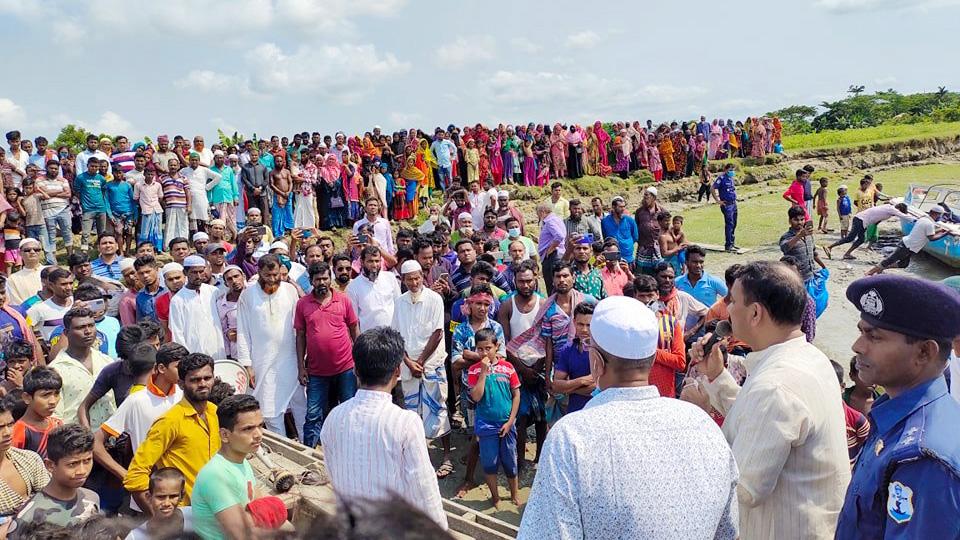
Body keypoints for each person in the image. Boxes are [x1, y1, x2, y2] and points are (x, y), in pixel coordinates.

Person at [518, 295, 739, 540]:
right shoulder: (703, 425)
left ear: (596, 362)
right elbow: (729, 532)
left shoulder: (571, 438)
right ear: (652, 359)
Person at [684, 261, 850, 538]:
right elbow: (758, 420)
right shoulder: (810, 357)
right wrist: (716, 376)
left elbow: (745, 487)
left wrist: (697, 424)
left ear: (755, 313)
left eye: (732, 300)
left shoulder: (775, 385)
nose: (728, 307)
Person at [835, 275, 960, 539]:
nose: (857, 346)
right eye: (861, 331)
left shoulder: (924, 458)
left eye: (875, 337)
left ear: (924, 352)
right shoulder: (894, 415)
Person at [320, 327, 448, 530]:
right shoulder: (405, 423)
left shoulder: (334, 417)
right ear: (398, 371)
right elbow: (424, 488)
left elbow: (333, 474)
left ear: (355, 369)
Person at [94, 343, 184, 512]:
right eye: (180, 367)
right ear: (162, 368)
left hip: (184, 493)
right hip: (148, 498)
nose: (185, 371)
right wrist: (125, 475)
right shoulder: (136, 401)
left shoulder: (184, 396)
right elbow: (96, 443)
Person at [124, 352, 219, 509]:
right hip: (185, 514)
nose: (202, 384)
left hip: (215, 510)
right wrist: (161, 520)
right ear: (181, 384)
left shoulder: (215, 412)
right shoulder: (170, 421)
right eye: (195, 380)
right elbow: (135, 475)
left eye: (207, 378)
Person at [392, 261, 453, 477]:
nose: (414, 282)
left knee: (438, 408)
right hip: (409, 367)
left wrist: (421, 362)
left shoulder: (434, 299)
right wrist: (409, 362)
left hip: (431, 365)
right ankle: (419, 458)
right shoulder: (399, 302)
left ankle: (446, 457)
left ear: (422, 277)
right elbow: (396, 335)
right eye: (410, 279)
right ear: (404, 280)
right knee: (413, 414)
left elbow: (437, 333)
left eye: (417, 278)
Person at [235, 254, 305, 438]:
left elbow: (299, 327)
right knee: (271, 411)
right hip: (262, 362)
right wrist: (247, 364)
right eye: (268, 276)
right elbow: (242, 331)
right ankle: (284, 452)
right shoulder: (248, 295)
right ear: (259, 273)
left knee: (300, 405)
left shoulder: (290, 290)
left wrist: (303, 359)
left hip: (290, 359)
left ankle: (308, 447)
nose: (273, 279)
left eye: (276, 275)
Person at [295, 261, 360, 448]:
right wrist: (301, 368)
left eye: (325, 278)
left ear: (330, 278)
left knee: (349, 410)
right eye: (317, 280)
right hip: (316, 372)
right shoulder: (302, 304)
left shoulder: (343, 299)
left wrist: (360, 360)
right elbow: (300, 337)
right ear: (311, 281)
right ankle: (308, 455)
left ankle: (352, 449)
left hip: (346, 368)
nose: (322, 282)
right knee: (313, 414)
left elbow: (354, 329)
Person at [191, 394, 267, 540]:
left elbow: (259, 503)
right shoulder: (215, 476)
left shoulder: (242, 462)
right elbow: (242, 536)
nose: (258, 435)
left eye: (260, 426)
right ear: (225, 435)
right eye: (248, 429)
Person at [8, 424, 100, 538]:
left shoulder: (91, 498)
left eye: (87, 461)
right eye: (72, 464)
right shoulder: (29, 517)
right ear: (50, 465)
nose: (82, 471)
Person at [467, 327, 521, 508]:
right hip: (485, 424)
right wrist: (483, 372)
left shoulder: (508, 368)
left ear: (496, 347)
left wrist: (511, 421)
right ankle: (496, 497)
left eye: (488, 348)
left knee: (510, 462)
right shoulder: (474, 371)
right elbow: (476, 397)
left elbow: (516, 395)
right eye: (480, 349)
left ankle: (515, 494)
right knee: (489, 463)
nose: (484, 352)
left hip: (507, 423)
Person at [48, 307, 115, 427]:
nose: (88, 331)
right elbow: (54, 417)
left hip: (110, 438)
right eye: (80, 327)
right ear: (66, 333)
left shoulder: (107, 362)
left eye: (91, 325)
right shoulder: (56, 370)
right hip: (76, 440)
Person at [0, 398, 49, 531]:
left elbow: (51, 499)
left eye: (10, 424)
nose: (7, 433)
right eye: (0, 428)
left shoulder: (29, 459)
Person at [168, 255, 227, 358]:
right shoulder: (177, 300)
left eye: (201, 271)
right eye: (194, 272)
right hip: (193, 352)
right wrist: (184, 356)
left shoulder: (213, 291)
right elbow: (177, 333)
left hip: (217, 349)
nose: (199, 276)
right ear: (185, 273)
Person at [866, 205, 949, 276]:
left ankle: (880, 268)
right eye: (940, 215)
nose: (941, 217)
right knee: (890, 259)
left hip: (909, 245)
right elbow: (931, 238)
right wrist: (945, 234)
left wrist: (941, 231)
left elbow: (928, 233)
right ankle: (869, 272)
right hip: (908, 246)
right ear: (936, 214)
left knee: (904, 264)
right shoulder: (929, 224)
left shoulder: (924, 219)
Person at [825, 202, 913, 261]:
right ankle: (829, 247)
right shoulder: (891, 209)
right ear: (898, 209)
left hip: (863, 221)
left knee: (861, 239)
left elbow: (877, 218)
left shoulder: (888, 209)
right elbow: (902, 215)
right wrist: (915, 220)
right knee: (850, 238)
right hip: (860, 220)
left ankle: (847, 254)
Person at [551, 302, 596, 414]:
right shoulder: (567, 349)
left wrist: (569, 388)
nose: (584, 329)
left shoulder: (603, 350)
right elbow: (556, 385)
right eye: (580, 324)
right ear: (574, 322)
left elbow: (596, 387)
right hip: (575, 412)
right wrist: (583, 380)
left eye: (589, 325)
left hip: (597, 410)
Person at [125, 468, 195, 540]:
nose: (166, 503)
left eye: (173, 496)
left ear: (182, 496)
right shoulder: (136, 537)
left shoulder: (196, 517)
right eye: (160, 497)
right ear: (149, 497)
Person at [346, 246, 400, 331]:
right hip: (370, 338)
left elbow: (399, 304)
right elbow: (354, 321)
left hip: (393, 334)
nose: (374, 265)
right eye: (370, 261)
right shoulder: (353, 287)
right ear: (362, 262)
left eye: (377, 261)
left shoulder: (390, 277)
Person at [12, 367, 63, 458]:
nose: (53, 401)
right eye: (45, 395)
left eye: (56, 394)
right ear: (27, 398)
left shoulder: (58, 425)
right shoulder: (19, 432)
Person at [779, 206, 826, 284]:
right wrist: (799, 236)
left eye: (802, 219)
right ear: (790, 221)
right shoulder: (786, 236)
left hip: (812, 276)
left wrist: (824, 267)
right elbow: (784, 248)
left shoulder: (808, 235)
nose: (800, 222)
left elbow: (814, 253)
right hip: (796, 279)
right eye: (796, 220)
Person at [26, 267, 73, 343]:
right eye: (63, 284)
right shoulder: (38, 309)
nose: (68, 287)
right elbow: (26, 330)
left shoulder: (79, 303)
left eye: (71, 283)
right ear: (51, 285)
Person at [536, 202, 566, 293]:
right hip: (555, 254)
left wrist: (551, 249)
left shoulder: (550, 221)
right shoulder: (556, 219)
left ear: (542, 211)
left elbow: (559, 236)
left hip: (553, 255)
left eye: (538, 212)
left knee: (552, 286)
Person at [600, 196, 638, 266]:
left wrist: (627, 244)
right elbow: (606, 237)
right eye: (620, 207)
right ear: (613, 207)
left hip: (628, 258)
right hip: (612, 258)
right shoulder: (605, 221)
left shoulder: (630, 220)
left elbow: (635, 237)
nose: (623, 209)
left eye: (624, 206)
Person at [6, 238, 43, 307]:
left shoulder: (51, 271)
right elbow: (16, 304)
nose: (32, 252)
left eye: (36, 250)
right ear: (20, 253)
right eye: (27, 250)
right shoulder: (13, 279)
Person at [712, 163, 739, 251]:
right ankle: (728, 245)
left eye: (733, 170)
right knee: (729, 224)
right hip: (726, 205)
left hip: (733, 204)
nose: (732, 171)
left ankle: (732, 243)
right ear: (726, 170)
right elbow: (712, 188)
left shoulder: (730, 178)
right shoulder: (721, 178)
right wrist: (718, 200)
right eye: (730, 170)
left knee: (734, 223)